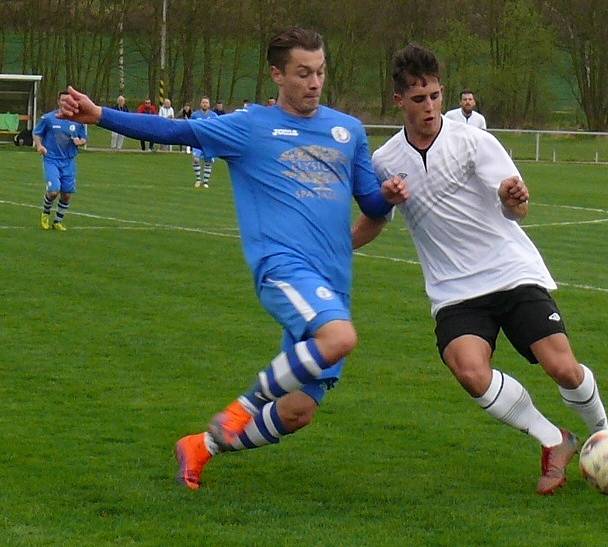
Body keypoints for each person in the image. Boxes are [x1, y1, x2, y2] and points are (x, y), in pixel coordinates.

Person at [58, 27, 407, 491]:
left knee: (299, 410)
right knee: (340, 337)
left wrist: (386, 196)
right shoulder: (249, 127)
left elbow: (371, 204)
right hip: (283, 269)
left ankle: (201, 445)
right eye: (303, 73)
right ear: (277, 75)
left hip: (333, 281)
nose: (314, 82)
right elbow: (174, 129)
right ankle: (242, 407)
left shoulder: (349, 131)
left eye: (320, 72)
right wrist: (100, 115)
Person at [352, 44, 608, 495]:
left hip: (510, 272)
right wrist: (339, 247)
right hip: (454, 289)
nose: (429, 106)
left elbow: (516, 206)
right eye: (418, 99)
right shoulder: (384, 161)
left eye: (434, 95)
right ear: (399, 101)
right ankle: (555, 440)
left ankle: (606, 439)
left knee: (563, 368)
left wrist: (514, 198)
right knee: (470, 371)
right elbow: (376, 218)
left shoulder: (473, 140)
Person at [33, 90, 88, 231]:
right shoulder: (48, 118)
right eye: (63, 100)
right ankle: (45, 214)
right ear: (58, 102)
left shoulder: (78, 121)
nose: (65, 103)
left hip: (69, 161)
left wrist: (79, 142)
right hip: (51, 159)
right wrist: (39, 146)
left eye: (68, 100)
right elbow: (37, 133)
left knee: (67, 194)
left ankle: (58, 221)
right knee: (53, 191)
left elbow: (84, 138)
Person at [190, 97, 218, 188]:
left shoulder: (214, 115)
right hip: (197, 141)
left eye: (206, 102)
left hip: (209, 142)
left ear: (209, 104)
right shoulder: (195, 115)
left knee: (208, 161)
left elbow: (217, 127)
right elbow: (190, 126)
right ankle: (198, 179)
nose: (205, 104)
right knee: (195, 159)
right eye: (203, 102)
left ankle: (205, 182)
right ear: (200, 104)